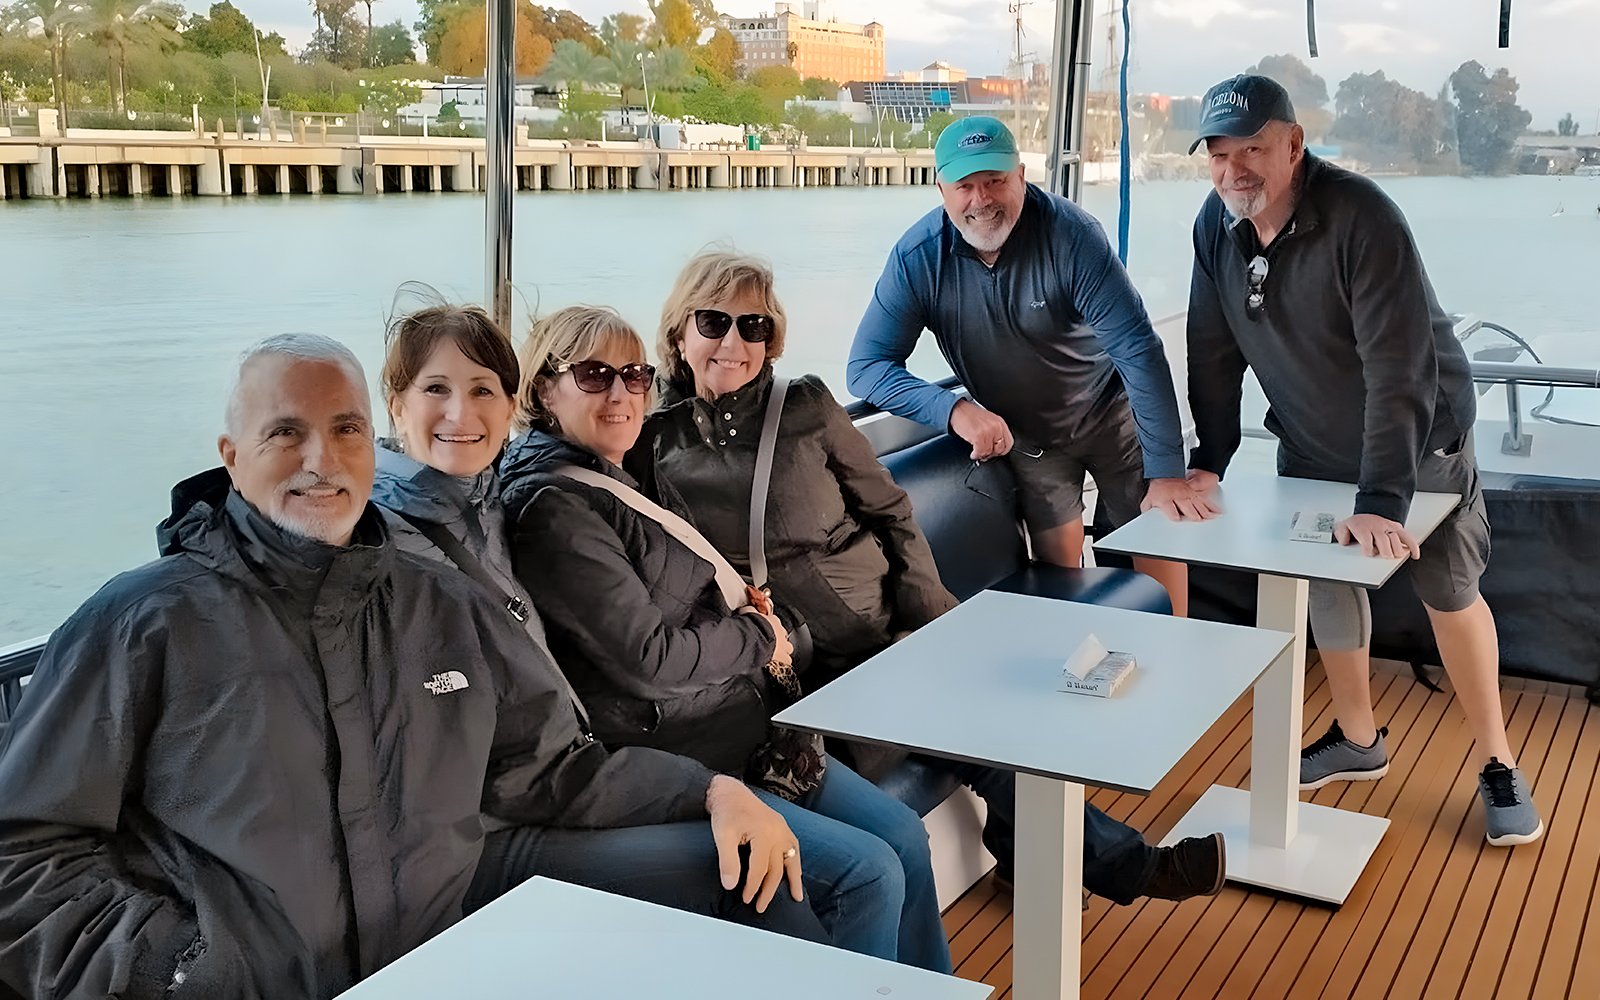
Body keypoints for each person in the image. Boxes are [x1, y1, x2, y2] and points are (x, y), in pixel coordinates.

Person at [0, 334, 814, 999]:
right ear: (230, 453)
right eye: (286, 432)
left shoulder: (441, 605)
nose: (322, 457)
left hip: (440, 969)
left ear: (373, 439)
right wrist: (174, 969)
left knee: (766, 885)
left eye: (346, 429)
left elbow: (544, 774)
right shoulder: (143, 624)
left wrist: (710, 790)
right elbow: (23, 852)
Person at [635, 247, 1227, 906]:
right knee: (982, 721)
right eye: (714, 323)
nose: (734, 343)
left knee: (992, 708)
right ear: (679, 332)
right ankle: (1117, 864)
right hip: (794, 666)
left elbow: (889, 510)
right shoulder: (651, 445)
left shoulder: (803, 407)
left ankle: (1089, 857)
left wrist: (933, 619)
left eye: (754, 327)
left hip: (882, 628)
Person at [499, 306, 947, 971]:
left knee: (905, 836)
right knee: (869, 875)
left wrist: (738, 613)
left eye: (634, 374)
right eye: (594, 375)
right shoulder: (555, 509)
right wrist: (757, 635)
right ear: (545, 390)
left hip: (746, 730)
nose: (621, 393)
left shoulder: (621, 476)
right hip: (687, 749)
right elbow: (649, 660)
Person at [368, 300, 837, 933]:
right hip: (490, 831)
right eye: (593, 375)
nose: (461, 412)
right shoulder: (405, 547)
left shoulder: (488, 515)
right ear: (396, 405)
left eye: (482, 389)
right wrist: (755, 645)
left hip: (581, 771)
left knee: (873, 858)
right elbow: (628, 676)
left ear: (509, 407)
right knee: (808, 877)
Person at [1184, 73, 1543, 846]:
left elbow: (1399, 367)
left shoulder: (1362, 217)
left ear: (1293, 145)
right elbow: (1212, 355)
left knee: (1450, 593)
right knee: (1328, 584)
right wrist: (1206, 459)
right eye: (1218, 152)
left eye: (1253, 148)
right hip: (1312, 441)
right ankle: (1357, 738)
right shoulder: (1214, 231)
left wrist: (1382, 497)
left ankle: (1499, 761)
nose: (1234, 168)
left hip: (1420, 438)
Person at [847, 115, 1218, 617]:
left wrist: (1168, 472)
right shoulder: (917, 259)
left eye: (996, 181)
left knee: (1157, 541)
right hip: (1028, 440)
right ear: (941, 190)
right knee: (1061, 585)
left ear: (1021, 176)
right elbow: (867, 368)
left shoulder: (1073, 235)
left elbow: (1138, 350)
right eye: (965, 186)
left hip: (1112, 417)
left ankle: (1175, 658)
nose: (982, 199)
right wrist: (954, 410)